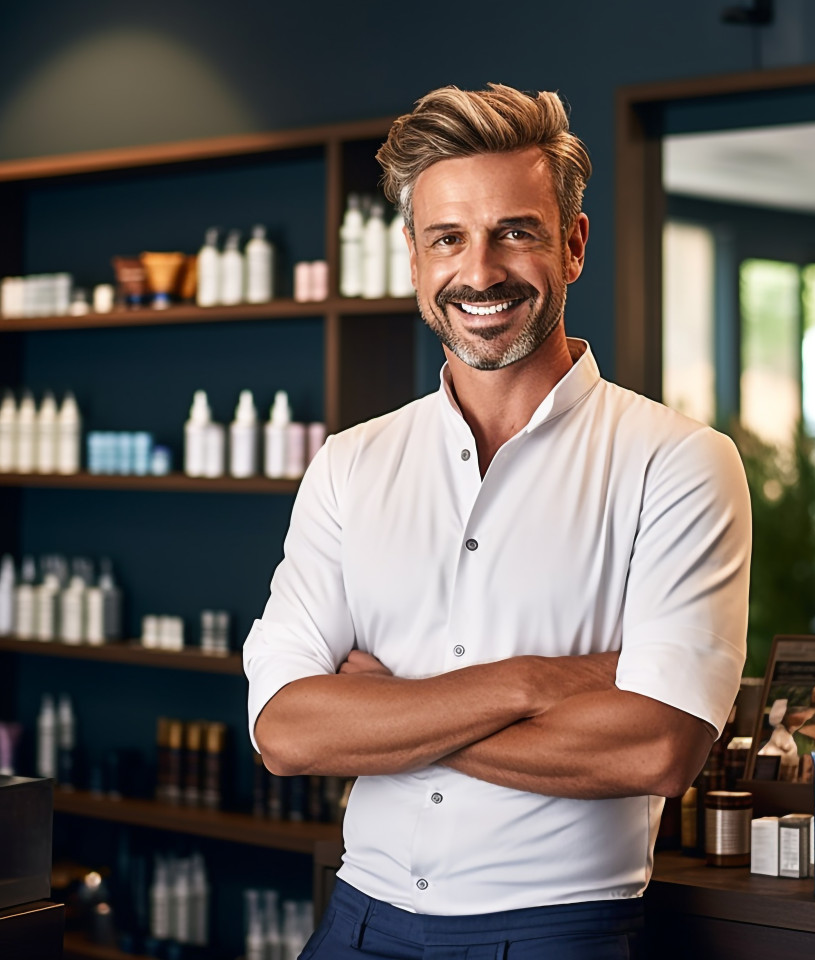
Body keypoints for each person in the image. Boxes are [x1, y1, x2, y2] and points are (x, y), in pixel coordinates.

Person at [244, 83, 751, 959]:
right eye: (449, 238)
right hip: (356, 922)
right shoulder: (350, 466)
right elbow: (287, 732)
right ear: (414, 258)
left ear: (574, 245)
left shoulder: (677, 463)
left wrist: (387, 714)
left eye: (515, 231)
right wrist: (535, 682)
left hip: (558, 931)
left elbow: (656, 748)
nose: (479, 272)